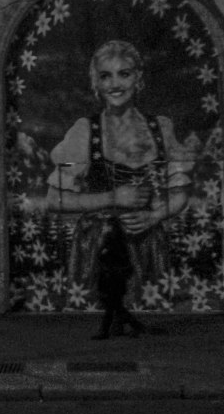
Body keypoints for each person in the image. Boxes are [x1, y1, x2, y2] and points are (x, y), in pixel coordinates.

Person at [46, 40, 192, 305]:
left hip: (149, 245)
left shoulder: (161, 128)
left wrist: (155, 216)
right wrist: (112, 197)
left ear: (138, 77)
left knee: (151, 310)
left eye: (124, 74)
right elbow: (55, 199)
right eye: (105, 76)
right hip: (98, 246)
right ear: (96, 83)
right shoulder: (85, 131)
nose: (115, 84)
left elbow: (180, 192)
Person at [91, 221, 145, 339]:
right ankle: (132, 327)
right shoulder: (111, 242)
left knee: (112, 308)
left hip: (113, 281)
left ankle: (105, 331)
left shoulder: (113, 244)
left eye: (106, 225)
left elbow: (113, 262)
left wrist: (110, 271)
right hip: (112, 281)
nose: (104, 227)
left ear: (111, 228)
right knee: (117, 307)